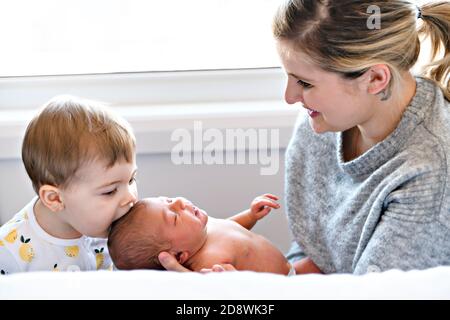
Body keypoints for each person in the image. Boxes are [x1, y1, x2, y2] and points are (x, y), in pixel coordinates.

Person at [159, 0, 450, 275]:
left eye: (305, 83)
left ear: (375, 79)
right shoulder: (325, 118)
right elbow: (315, 248)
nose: (289, 97)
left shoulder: (430, 173)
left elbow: (373, 293)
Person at [0, 95, 138, 274]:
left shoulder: (120, 226)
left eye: (131, 180)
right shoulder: (9, 254)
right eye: (110, 191)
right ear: (55, 198)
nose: (131, 197)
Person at [108, 194, 295, 275]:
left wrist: (251, 215)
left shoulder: (204, 230)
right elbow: (232, 290)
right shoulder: (208, 263)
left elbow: (229, 227)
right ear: (180, 256)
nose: (180, 201)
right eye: (174, 216)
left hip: (292, 266)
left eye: (169, 200)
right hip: (283, 286)